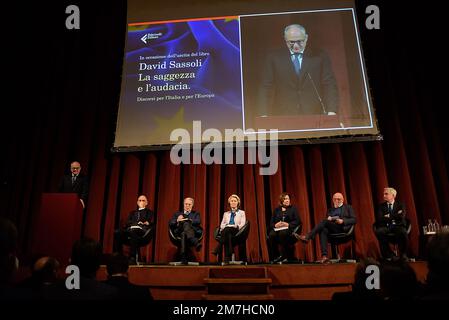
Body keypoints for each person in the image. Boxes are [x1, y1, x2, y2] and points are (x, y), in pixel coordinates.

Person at [258, 24, 339, 116]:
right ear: (285, 39)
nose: (296, 46)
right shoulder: (273, 57)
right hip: (283, 114)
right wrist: (263, 113)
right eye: (291, 42)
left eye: (300, 41)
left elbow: (329, 84)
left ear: (306, 38)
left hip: (314, 112)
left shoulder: (320, 56)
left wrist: (332, 110)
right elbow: (265, 87)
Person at [297, 192, 356, 263]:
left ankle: (307, 237)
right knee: (323, 229)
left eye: (339, 199)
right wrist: (329, 219)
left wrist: (342, 221)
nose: (337, 201)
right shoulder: (330, 210)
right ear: (333, 200)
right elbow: (327, 223)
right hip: (332, 228)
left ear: (343, 200)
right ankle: (324, 256)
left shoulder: (348, 207)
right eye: (335, 199)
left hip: (342, 229)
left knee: (324, 222)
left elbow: (354, 219)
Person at [114, 195, 154, 265]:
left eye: (143, 200)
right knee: (118, 232)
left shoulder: (149, 212)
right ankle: (118, 256)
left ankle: (132, 257)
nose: (141, 202)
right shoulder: (132, 213)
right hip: (131, 229)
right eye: (140, 200)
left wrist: (143, 223)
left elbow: (149, 221)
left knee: (134, 231)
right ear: (137, 202)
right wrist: (135, 223)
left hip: (142, 231)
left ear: (146, 203)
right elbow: (128, 222)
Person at [374, 187, 408, 261]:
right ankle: (389, 254)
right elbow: (380, 219)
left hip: (398, 226)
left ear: (393, 195)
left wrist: (388, 216)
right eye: (383, 194)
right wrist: (395, 215)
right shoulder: (381, 206)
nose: (384, 195)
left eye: (386, 194)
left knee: (403, 232)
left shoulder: (400, 205)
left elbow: (401, 216)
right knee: (379, 231)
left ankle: (403, 254)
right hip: (386, 227)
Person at [212, 194, 247, 264]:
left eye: (235, 201)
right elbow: (222, 224)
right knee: (227, 233)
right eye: (232, 201)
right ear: (229, 203)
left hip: (237, 231)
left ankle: (219, 248)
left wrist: (234, 226)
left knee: (227, 229)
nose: (233, 202)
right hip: (227, 231)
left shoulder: (242, 212)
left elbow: (243, 223)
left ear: (238, 203)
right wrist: (226, 227)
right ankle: (227, 258)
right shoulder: (226, 214)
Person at [268, 192, 302, 263]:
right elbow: (271, 223)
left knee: (282, 233)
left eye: (288, 199)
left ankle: (284, 255)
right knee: (271, 235)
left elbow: (298, 221)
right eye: (285, 199)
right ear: (281, 201)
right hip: (278, 229)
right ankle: (276, 256)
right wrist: (275, 225)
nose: (287, 200)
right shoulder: (276, 210)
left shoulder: (293, 209)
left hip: (290, 229)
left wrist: (288, 224)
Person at [169, 197, 202, 265]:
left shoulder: (196, 213)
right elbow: (171, 223)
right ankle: (195, 242)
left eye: (189, 204)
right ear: (183, 204)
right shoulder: (177, 214)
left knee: (184, 232)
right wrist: (177, 220)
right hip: (179, 231)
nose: (187, 206)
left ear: (192, 205)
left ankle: (183, 257)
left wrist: (188, 219)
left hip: (191, 232)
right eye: (186, 204)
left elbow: (198, 221)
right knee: (185, 225)